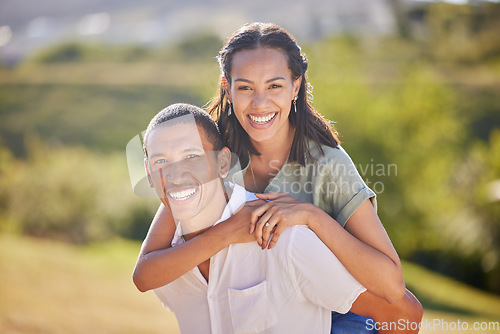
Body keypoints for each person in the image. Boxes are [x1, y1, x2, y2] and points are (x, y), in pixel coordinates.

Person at [133, 22, 423, 333]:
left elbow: (393, 287)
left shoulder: (329, 164)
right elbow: (147, 270)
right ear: (227, 87)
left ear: (296, 86)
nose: (259, 103)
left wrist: (309, 215)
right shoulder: (213, 151)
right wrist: (229, 232)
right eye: (245, 87)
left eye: (274, 86)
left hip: (340, 313)